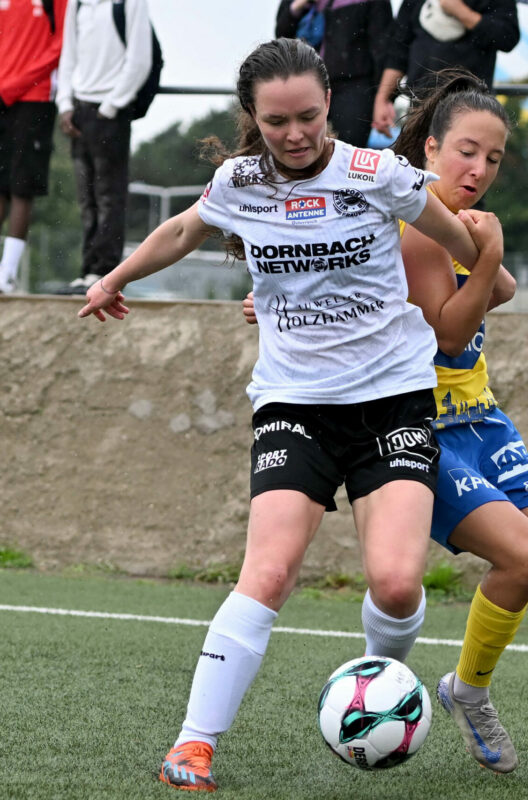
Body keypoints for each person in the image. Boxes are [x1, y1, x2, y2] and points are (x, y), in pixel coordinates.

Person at [78, 38, 502, 793]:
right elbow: (181, 230)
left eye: (309, 116)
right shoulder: (238, 182)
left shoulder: (378, 175)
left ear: (328, 103)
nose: (297, 133)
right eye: (277, 122)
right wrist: (114, 278)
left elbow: (466, 247)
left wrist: (490, 261)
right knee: (269, 571)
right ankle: (194, 744)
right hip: (294, 404)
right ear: (253, 117)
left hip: (392, 402)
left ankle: (376, 694)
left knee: (397, 585)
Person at [245, 69, 528, 785]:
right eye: (467, 152)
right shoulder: (409, 224)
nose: (480, 169)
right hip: (418, 427)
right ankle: (466, 690)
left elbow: (503, 289)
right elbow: (447, 333)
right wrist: (489, 255)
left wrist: (486, 258)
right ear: (430, 149)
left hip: (485, 419)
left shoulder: (455, 222)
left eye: (494, 158)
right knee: (524, 559)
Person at [56, 0, 153, 294]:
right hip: (80, 108)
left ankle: (104, 271)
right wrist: (65, 103)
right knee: (87, 198)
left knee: (109, 195)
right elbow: (68, 55)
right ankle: (87, 270)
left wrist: (111, 106)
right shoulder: (78, 4)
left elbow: (140, 59)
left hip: (110, 111)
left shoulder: (130, 3)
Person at [371, 0, 519, 137]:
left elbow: (507, 37)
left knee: (463, 153)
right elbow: (398, 51)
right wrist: (383, 99)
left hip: (470, 103)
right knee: (419, 154)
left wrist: (461, 12)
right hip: (421, 102)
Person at [0, 0, 68, 294]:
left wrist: (15, 84)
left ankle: (7, 274)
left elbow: (61, 44)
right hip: (2, 96)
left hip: (35, 97)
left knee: (22, 186)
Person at [275, 0, 393, 147]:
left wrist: (384, 99)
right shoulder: (296, 4)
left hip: (354, 88)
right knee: (300, 145)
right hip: (306, 86)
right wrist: (297, 7)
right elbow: (281, 36)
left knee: (348, 148)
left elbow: (383, 50)